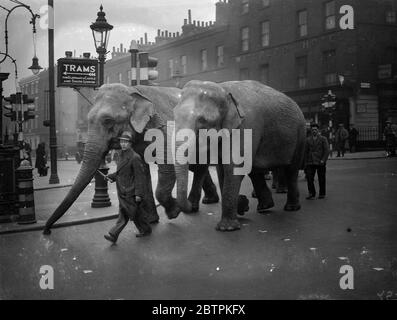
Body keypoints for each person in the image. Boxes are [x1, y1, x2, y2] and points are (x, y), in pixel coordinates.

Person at [104, 131, 152, 243]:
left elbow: (140, 177)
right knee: (135, 213)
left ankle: (113, 234)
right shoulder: (121, 155)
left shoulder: (135, 157)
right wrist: (111, 176)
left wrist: (138, 194)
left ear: (130, 143)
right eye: (122, 142)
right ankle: (146, 229)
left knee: (125, 214)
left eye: (126, 142)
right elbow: (121, 172)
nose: (123, 144)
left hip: (130, 192)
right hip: (122, 191)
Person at [304, 123, 330, 200]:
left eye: (315, 129)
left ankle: (322, 193)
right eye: (312, 130)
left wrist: (323, 160)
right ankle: (311, 193)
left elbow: (327, 150)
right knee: (309, 178)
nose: (314, 131)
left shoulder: (323, 139)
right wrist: (305, 162)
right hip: (310, 162)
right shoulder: (308, 140)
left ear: (318, 130)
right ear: (311, 131)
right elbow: (305, 152)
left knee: (321, 178)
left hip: (320, 161)